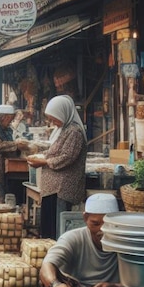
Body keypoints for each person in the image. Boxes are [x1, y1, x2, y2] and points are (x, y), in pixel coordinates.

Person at [39, 193, 122, 287]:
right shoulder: (73, 238)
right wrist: (55, 284)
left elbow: (140, 284)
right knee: (49, 280)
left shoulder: (127, 242)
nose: (101, 230)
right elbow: (47, 264)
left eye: (108, 224)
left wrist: (114, 286)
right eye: (95, 224)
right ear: (85, 218)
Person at [26, 94, 87, 239]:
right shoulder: (64, 129)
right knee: (49, 226)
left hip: (62, 189)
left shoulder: (74, 131)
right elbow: (55, 150)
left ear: (64, 113)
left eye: (54, 118)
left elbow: (67, 157)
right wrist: (41, 156)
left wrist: (44, 162)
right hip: (53, 188)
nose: (53, 122)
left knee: (57, 228)